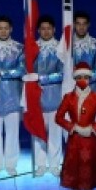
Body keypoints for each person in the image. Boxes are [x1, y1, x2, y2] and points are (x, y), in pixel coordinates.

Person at [0, 15, 24, 176]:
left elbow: (22, 70)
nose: (2, 31)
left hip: (12, 96)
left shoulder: (19, 48)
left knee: (13, 133)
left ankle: (11, 164)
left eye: (5, 28)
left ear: (11, 29)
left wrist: (2, 72)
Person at [30, 16, 65, 177]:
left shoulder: (60, 48)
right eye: (42, 28)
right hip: (37, 98)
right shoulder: (32, 48)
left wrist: (43, 78)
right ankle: (40, 164)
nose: (46, 31)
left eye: (48, 28)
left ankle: (54, 165)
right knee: (38, 132)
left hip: (56, 98)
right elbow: (27, 70)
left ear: (54, 29)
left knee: (55, 134)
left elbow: (63, 73)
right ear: (38, 30)